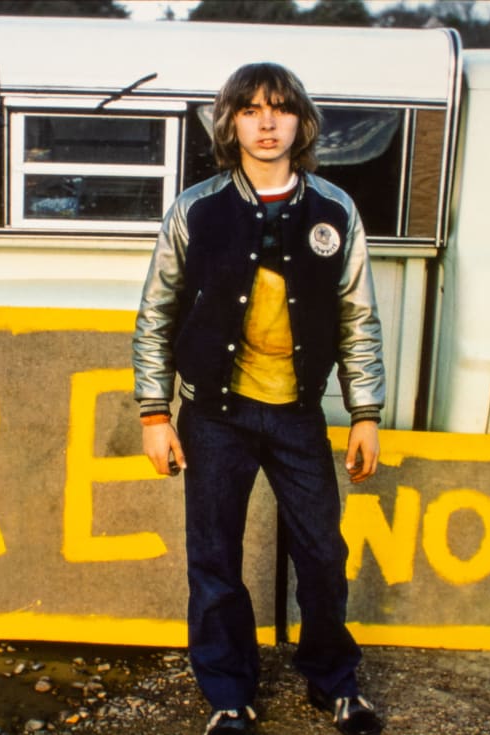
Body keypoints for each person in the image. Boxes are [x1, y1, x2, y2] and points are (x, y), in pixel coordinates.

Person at [132, 62, 386, 735]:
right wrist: (155, 413)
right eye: (250, 109)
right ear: (231, 123)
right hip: (215, 413)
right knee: (214, 556)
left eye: (279, 108)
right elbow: (155, 315)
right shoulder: (197, 209)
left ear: (300, 120)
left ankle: (334, 680)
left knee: (324, 556)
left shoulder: (335, 211)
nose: (266, 121)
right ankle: (228, 692)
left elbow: (359, 318)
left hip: (299, 414)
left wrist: (365, 413)